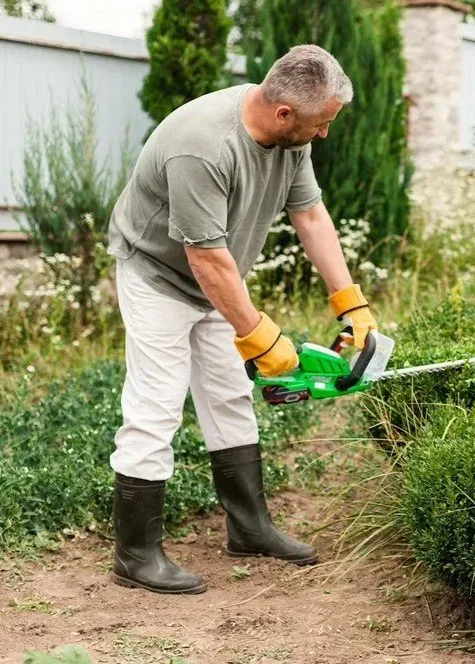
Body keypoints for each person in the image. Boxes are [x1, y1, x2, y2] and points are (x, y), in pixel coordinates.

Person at [105, 44, 378, 595]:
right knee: (156, 406)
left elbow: (310, 214)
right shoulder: (202, 147)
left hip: (218, 279)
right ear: (284, 113)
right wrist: (257, 333)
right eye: (321, 124)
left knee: (230, 394)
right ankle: (135, 554)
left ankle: (249, 528)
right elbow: (204, 259)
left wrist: (349, 300)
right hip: (159, 275)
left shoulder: (288, 138)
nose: (324, 134)